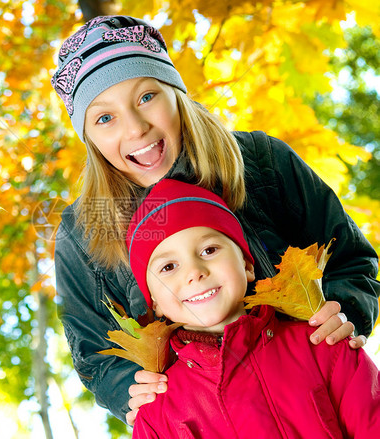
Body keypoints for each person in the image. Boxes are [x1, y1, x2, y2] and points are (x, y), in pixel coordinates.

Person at [51, 15, 380, 424]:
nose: (135, 128)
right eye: (104, 117)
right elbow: (94, 351)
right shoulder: (81, 235)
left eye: (146, 97)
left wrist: (345, 308)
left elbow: (351, 258)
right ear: (89, 137)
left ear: (176, 94)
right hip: (206, 420)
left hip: (313, 401)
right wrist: (128, 388)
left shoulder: (261, 161)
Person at [126, 178, 380, 438]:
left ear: (247, 265)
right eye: (168, 267)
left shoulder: (324, 346)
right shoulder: (156, 414)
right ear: (154, 302)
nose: (194, 272)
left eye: (209, 250)